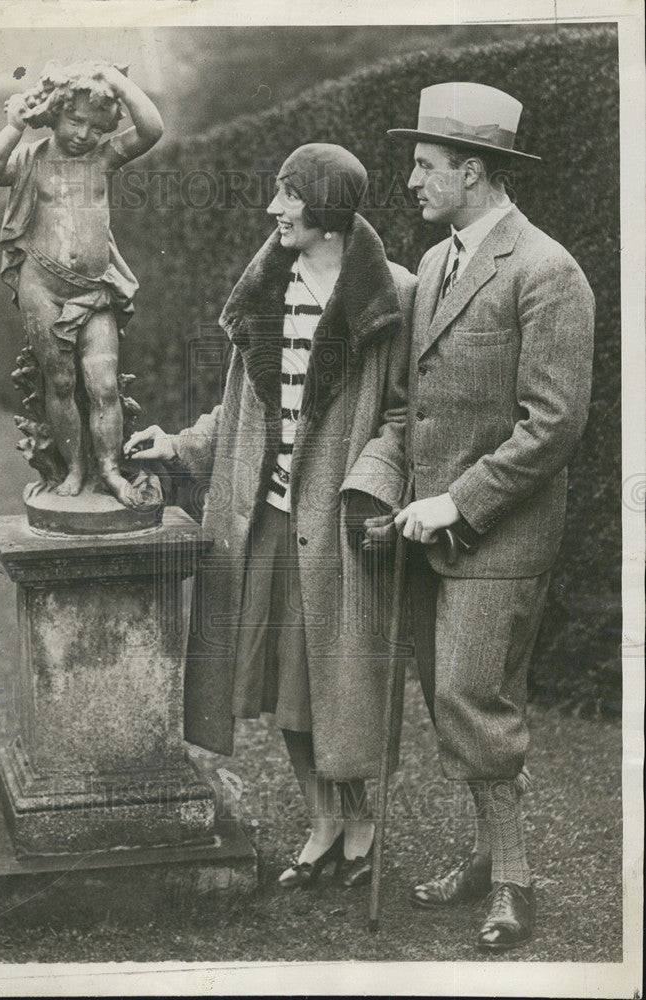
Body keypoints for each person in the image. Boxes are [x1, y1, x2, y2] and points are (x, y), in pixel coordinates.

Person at [125, 143, 416, 887]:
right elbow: (241, 410)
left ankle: (360, 820)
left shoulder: (394, 297)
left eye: (288, 196)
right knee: (282, 686)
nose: (273, 209)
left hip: (340, 526)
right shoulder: (267, 291)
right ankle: (323, 821)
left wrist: (372, 485)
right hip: (265, 521)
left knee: (333, 686)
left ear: (326, 211)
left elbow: (405, 416)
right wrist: (178, 445)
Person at [379, 82, 594, 949]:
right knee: (448, 700)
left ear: (472, 171)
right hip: (428, 529)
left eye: (424, 166)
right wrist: (393, 493)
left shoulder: (547, 270)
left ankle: (513, 880)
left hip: (499, 536)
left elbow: (553, 425)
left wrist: (456, 503)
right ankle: (482, 855)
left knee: (473, 698)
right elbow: (414, 404)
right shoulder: (435, 263)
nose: (411, 181)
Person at [0, 61, 163, 506]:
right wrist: (14, 127)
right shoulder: (31, 158)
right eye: (75, 120)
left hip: (94, 290)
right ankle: (74, 468)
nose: (84, 134)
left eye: (96, 126)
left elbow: (152, 130)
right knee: (59, 383)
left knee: (104, 385)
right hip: (41, 286)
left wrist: (114, 80)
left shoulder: (103, 158)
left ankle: (110, 470)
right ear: (54, 112)